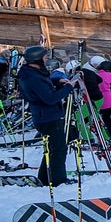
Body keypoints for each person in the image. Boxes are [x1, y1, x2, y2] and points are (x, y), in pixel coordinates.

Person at [16, 46, 77, 187]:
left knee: (52, 149)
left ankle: (44, 177)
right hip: (48, 118)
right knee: (59, 149)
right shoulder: (33, 77)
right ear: (37, 59)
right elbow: (49, 98)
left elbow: (44, 88)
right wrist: (69, 87)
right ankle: (58, 181)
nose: (46, 59)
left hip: (46, 116)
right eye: (44, 57)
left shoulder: (32, 72)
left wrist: (58, 82)